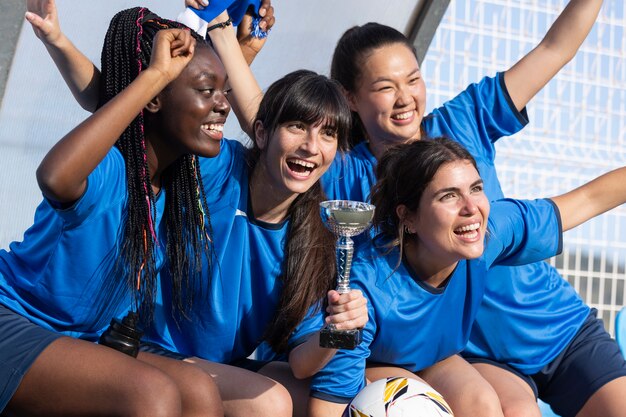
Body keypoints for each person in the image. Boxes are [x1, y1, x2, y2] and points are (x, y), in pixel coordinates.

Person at [26, 3, 368, 416]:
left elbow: (302, 361)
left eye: (328, 134)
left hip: (219, 364)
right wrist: (58, 40)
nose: (312, 147)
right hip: (149, 343)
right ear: (260, 131)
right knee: (270, 403)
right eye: (297, 126)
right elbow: (126, 107)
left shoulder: (317, 235)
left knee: (304, 395)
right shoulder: (213, 167)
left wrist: (336, 331)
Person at [0, 7, 225, 417]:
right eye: (207, 91)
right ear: (153, 97)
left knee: (199, 392)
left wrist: (230, 32)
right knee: (150, 394)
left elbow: (106, 94)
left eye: (222, 91)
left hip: (84, 337)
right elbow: (53, 175)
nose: (223, 105)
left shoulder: (181, 179)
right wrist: (154, 75)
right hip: (16, 320)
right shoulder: (109, 168)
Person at [307, 138, 626, 417]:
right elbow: (329, 404)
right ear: (409, 217)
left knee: (490, 407)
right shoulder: (365, 287)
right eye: (448, 196)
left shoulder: (487, 234)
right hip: (372, 364)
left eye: (476, 189)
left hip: (437, 357)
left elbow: (588, 199)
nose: (471, 207)